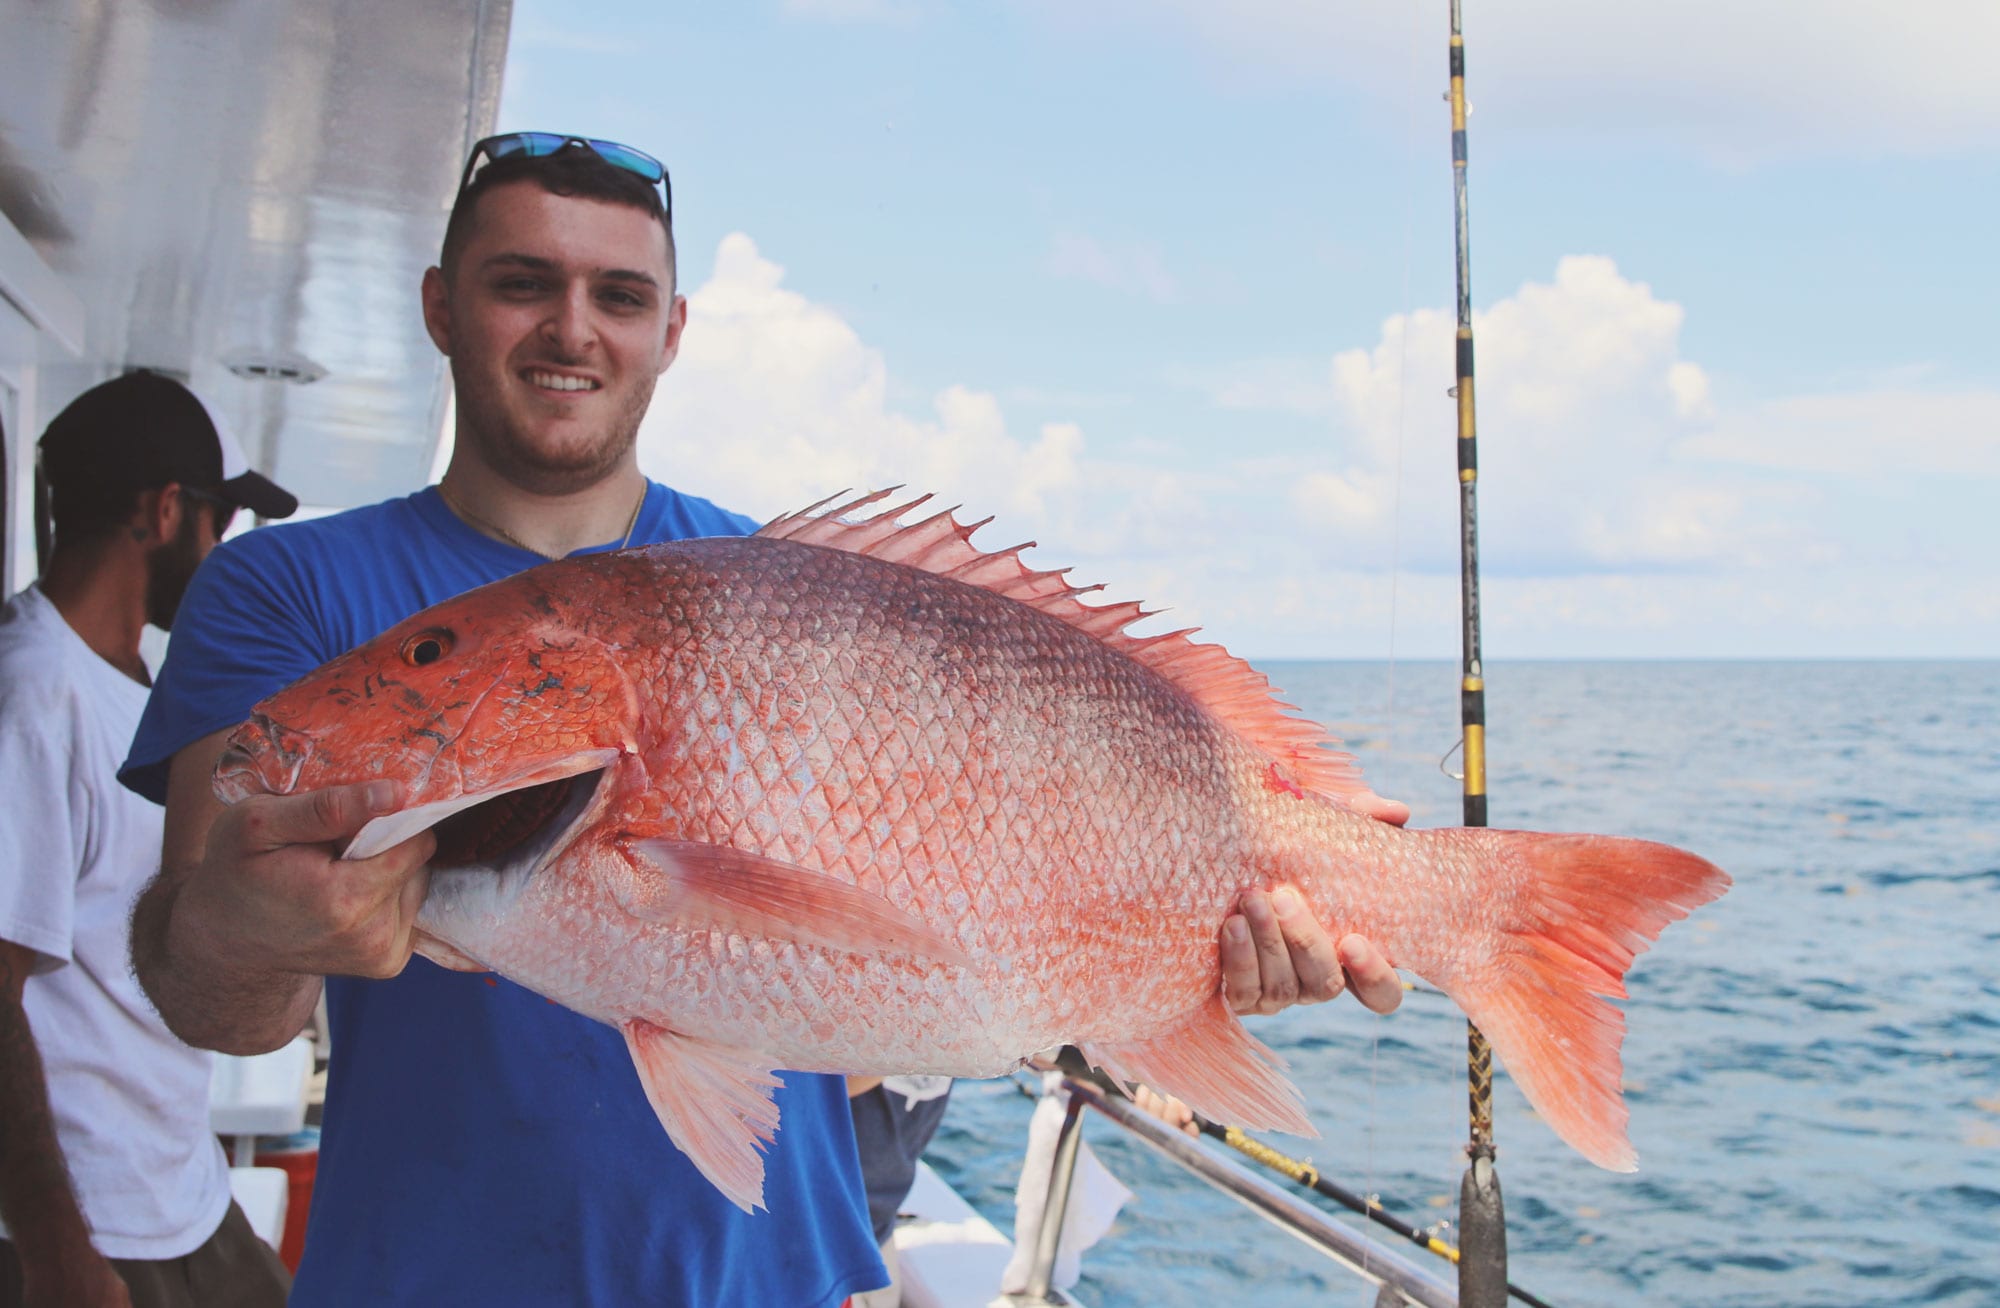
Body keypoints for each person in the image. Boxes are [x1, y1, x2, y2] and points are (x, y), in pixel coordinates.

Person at [119, 135, 1405, 1307]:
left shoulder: (774, 587)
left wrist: (1182, 958)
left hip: (775, 1283)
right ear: (439, 307)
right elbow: (213, 1001)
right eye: (523, 281)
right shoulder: (283, 591)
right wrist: (238, 928)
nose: (572, 328)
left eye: (617, 296)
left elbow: (857, 1007)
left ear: (669, 331)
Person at [0, 372, 298, 1308]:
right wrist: (56, 1251)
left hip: (177, 1191)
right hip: (94, 1226)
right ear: (168, 511)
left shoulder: (130, 681)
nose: (227, 551)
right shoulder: (34, 694)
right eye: (222, 523)